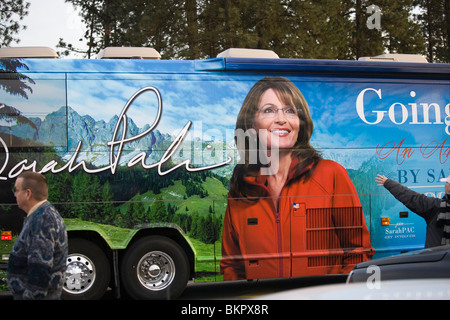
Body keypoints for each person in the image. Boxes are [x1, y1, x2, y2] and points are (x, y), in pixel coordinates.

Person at [220, 77, 373, 281]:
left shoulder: (331, 175)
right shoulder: (240, 190)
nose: (281, 119)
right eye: (269, 110)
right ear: (251, 124)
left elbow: (358, 252)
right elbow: (232, 266)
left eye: (290, 110)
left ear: (300, 123)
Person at [7, 171, 68, 300]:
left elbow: (39, 271)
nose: (15, 194)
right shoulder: (40, 215)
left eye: (17, 190)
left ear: (28, 193)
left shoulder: (43, 219)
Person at [376, 174, 450, 247]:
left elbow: (412, 198)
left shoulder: (437, 206)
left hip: (438, 256)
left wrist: (388, 183)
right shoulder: (438, 205)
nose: (444, 185)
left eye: (446, 183)